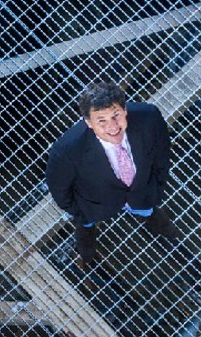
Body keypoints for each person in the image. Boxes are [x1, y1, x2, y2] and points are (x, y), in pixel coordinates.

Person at [46, 80, 179, 271]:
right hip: (94, 205)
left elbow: (162, 154)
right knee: (85, 228)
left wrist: (156, 188)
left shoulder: (149, 117)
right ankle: (89, 258)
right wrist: (80, 210)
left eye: (116, 115)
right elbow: (59, 188)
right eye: (102, 120)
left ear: (125, 110)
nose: (113, 126)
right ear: (88, 123)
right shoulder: (67, 150)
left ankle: (170, 241)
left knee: (153, 215)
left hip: (141, 194)